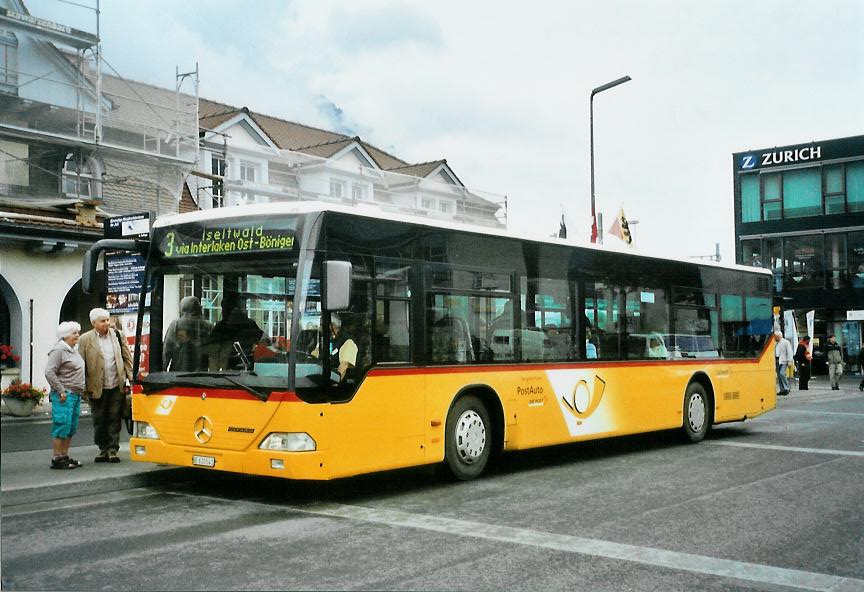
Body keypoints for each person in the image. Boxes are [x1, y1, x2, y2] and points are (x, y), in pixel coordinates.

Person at [78, 308, 133, 463]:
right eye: (103, 321)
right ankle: (103, 448)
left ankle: (112, 450)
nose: (107, 324)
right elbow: (80, 364)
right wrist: (82, 386)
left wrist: (131, 378)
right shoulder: (85, 339)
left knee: (114, 418)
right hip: (96, 386)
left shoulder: (117, 335)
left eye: (108, 320)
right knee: (99, 419)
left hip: (116, 383)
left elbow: (127, 357)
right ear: (93, 323)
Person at [44, 321, 86, 470]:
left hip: (75, 394)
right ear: (65, 335)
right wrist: (60, 390)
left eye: (77, 332)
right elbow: (49, 371)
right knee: (62, 425)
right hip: (64, 395)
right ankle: (57, 458)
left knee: (70, 426)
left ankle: (64, 455)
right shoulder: (59, 350)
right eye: (74, 333)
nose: (77, 335)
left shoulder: (72, 350)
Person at [206, 295, 263, 371]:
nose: (223, 312)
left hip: (229, 370)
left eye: (225, 309)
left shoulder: (221, 327)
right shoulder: (250, 324)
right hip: (243, 369)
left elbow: (210, 350)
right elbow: (265, 341)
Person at [163, 296, 212, 371]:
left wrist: (161, 373)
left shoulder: (176, 325)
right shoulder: (208, 327)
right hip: (201, 377)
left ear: (182, 308)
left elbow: (166, 352)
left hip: (177, 376)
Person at [313, 313, 358, 382]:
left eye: (322, 325)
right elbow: (312, 358)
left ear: (332, 325)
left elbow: (343, 367)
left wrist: (333, 384)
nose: (320, 328)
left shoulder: (347, 342)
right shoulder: (324, 340)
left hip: (339, 388)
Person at [773, 331, 794, 396]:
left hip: (784, 361)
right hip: (777, 360)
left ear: (778, 336)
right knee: (779, 376)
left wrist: (789, 361)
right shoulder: (775, 343)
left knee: (782, 374)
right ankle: (782, 389)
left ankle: (786, 388)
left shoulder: (786, 342)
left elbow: (789, 352)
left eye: (775, 337)